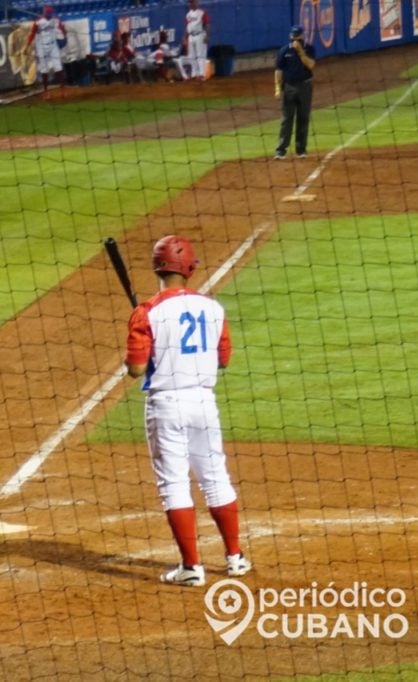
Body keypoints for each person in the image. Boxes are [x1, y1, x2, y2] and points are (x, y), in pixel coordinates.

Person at [124, 235, 251, 587]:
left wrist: (150, 349)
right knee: (215, 477)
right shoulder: (213, 308)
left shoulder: (147, 312)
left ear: (157, 267)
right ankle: (235, 557)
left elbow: (135, 369)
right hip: (203, 404)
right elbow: (223, 359)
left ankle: (191, 568)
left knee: (174, 483)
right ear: (190, 268)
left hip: (166, 406)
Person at [273, 25, 316, 160]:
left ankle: (301, 150)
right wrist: (277, 88)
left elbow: (310, 65)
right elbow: (278, 71)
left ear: (302, 36)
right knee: (287, 119)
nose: (294, 38)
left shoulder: (309, 49)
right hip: (289, 87)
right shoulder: (284, 50)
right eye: (293, 35)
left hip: (305, 87)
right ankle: (281, 150)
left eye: (297, 35)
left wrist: (300, 52)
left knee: (303, 118)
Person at [25, 5, 66, 92]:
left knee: (58, 67)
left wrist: (65, 37)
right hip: (42, 47)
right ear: (44, 13)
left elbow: (62, 28)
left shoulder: (55, 19)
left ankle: (62, 89)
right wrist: (27, 46)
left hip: (53, 45)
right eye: (47, 13)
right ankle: (45, 90)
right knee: (44, 69)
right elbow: (32, 34)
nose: (49, 15)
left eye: (50, 13)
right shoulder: (38, 22)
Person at [184, 0, 209, 80]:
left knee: (200, 55)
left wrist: (207, 36)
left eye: (192, 2)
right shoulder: (187, 15)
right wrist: (185, 38)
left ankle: (202, 74)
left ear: (197, 3)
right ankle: (195, 74)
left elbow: (207, 24)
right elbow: (187, 27)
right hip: (191, 36)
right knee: (191, 56)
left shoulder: (202, 13)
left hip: (200, 34)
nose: (191, 4)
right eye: (190, 2)